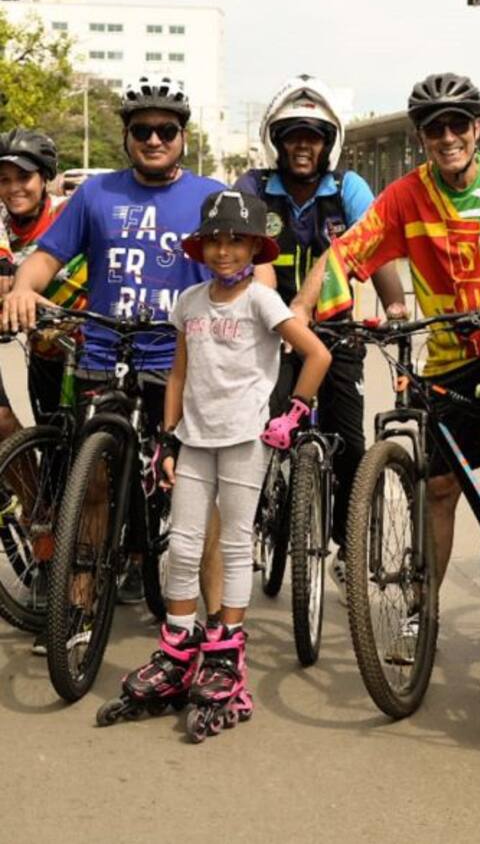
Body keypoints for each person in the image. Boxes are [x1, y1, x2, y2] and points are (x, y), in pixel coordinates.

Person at [2, 76, 262, 614]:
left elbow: (251, 273)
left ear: (183, 137)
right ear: (126, 135)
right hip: (101, 354)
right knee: (92, 484)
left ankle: (216, 627)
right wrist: (25, 288)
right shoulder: (95, 193)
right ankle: (78, 608)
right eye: (142, 129)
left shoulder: (211, 196)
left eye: (166, 129)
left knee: (195, 495)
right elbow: (46, 258)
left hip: (177, 363)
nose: (154, 138)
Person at [295, 72, 480, 588]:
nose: (448, 137)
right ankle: (421, 609)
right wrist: (298, 312)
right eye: (435, 129)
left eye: (458, 124)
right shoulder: (407, 194)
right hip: (449, 359)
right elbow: (346, 251)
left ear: (477, 129)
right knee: (437, 490)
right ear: (422, 138)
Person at [99, 189, 330, 734]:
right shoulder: (191, 302)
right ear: (200, 247)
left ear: (255, 245)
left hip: (246, 438)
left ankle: (225, 656)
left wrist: (293, 413)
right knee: (180, 544)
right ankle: (178, 651)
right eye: (215, 241)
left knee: (232, 545)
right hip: (195, 439)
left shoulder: (262, 302)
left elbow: (316, 353)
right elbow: (178, 373)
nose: (224, 251)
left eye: (236, 240)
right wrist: (169, 437)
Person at [234, 74, 403, 593]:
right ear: (277, 142)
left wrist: (395, 305)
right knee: (260, 430)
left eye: (313, 136)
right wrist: (279, 320)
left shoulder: (347, 189)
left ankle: (347, 544)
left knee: (351, 442)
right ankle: (259, 515)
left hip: (336, 333)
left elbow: (374, 248)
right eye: (291, 135)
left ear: (328, 143)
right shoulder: (255, 188)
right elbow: (243, 253)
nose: (302, 146)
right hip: (269, 331)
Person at [0, 129, 87, 428]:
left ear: (45, 178)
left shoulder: (69, 214)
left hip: (92, 355)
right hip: (44, 355)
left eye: (24, 178)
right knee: (52, 452)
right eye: (4, 180)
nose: (14, 189)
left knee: (92, 457)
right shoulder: (2, 229)